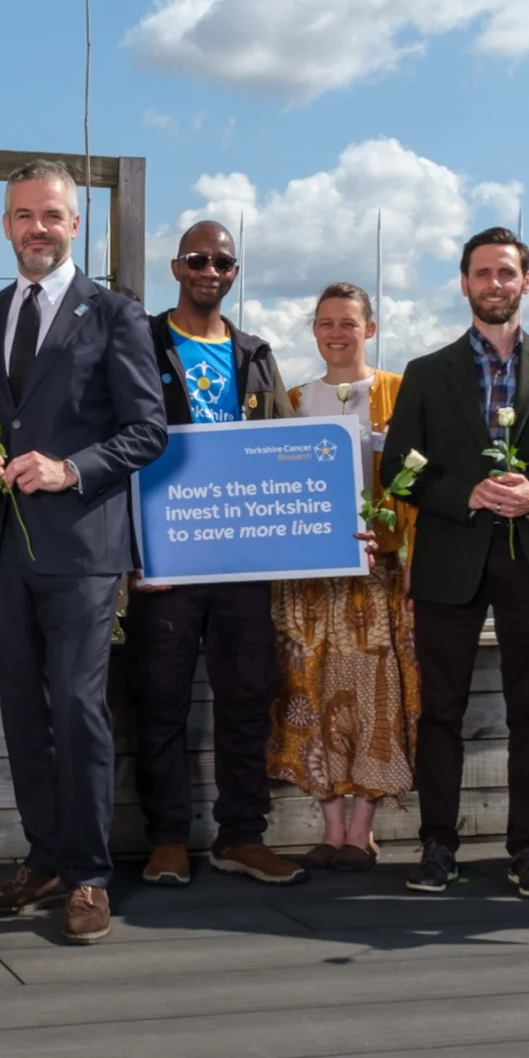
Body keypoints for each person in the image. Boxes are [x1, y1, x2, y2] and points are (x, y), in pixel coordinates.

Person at [0, 159, 169, 944]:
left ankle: (87, 874)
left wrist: (71, 468)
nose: (36, 228)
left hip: (82, 547)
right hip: (5, 549)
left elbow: (148, 430)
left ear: (75, 224)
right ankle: (43, 856)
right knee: (21, 711)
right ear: (6, 223)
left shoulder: (114, 313)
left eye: (50, 214)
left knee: (78, 710)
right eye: (22, 215)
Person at [379, 226, 529, 901]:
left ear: (525, 281)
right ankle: (438, 847)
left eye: (507, 273)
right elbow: (398, 473)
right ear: (464, 281)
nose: (494, 283)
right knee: (439, 713)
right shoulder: (426, 372)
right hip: (450, 562)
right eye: (482, 273)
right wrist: (462, 493)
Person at [128, 220, 306, 889]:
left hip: (243, 561)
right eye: (198, 259)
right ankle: (168, 838)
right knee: (159, 701)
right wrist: (129, 551)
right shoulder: (140, 342)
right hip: (163, 562)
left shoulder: (256, 353)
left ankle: (242, 836)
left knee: (245, 700)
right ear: (176, 267)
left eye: (223, 261)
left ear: (235, 272)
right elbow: (117, 443)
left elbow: (286, 449)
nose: (211, 269)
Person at [271, 281, 418, 870]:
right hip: (307, 582)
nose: (336, 333)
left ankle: (362, 830)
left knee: (373, 700)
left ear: (370, 330)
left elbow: (416, 490)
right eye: (326, 322)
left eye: (348, 323)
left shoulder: (399, 395)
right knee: (306, 693)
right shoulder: (292, 398)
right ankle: (330, 829)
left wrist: (405, 555)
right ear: (314, 330)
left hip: (374, 576)